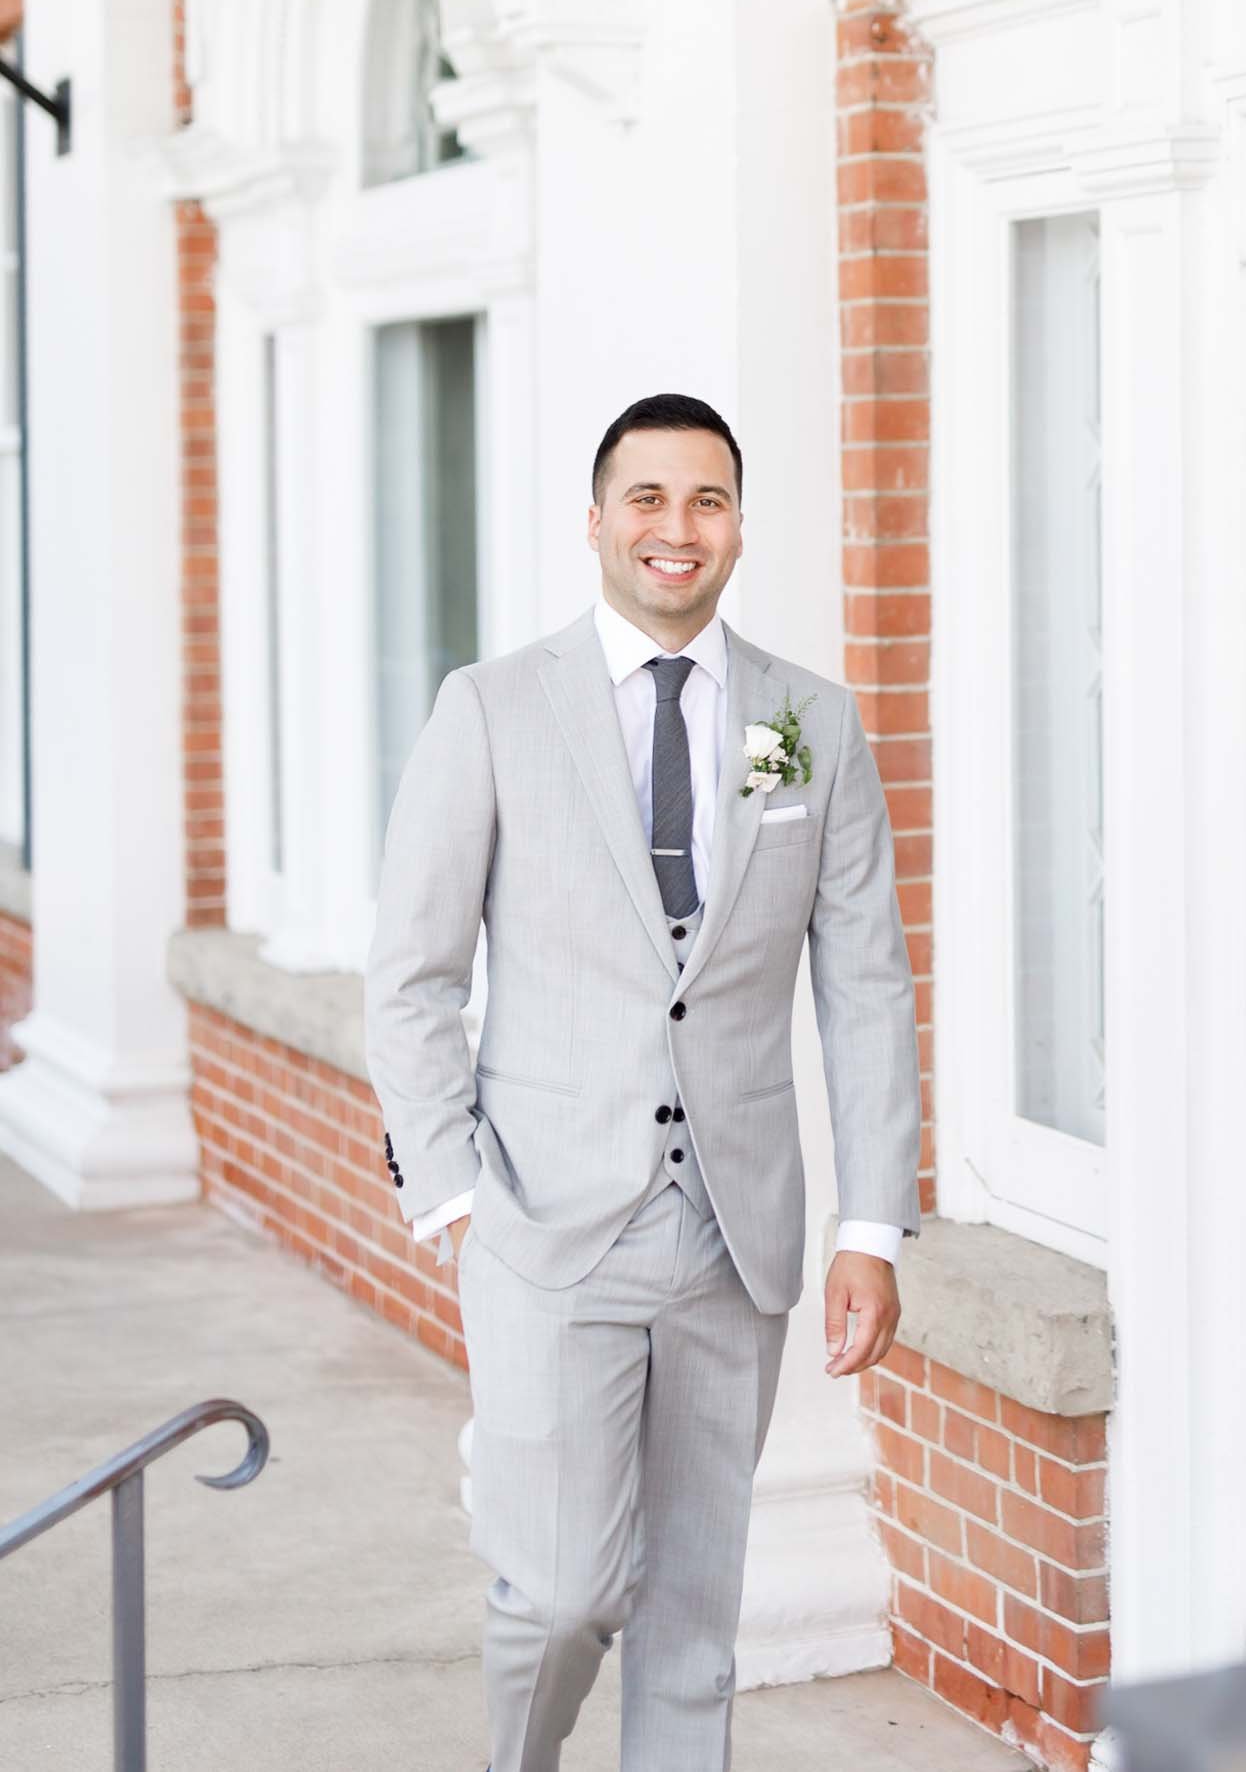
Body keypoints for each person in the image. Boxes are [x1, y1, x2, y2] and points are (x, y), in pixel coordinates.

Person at [363, 391, 921, 1771]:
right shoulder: (493, 710)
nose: (680, 529)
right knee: (557, 1593)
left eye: (709, 501)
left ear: (739, 524)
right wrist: (448, 1191)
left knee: (694, 1613)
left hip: (733, 1235)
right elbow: (414, 974)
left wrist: (870, 1228)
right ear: (599, 522)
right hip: (543, 1223)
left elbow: (864, 986)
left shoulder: (809, 723)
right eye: (651, 500)